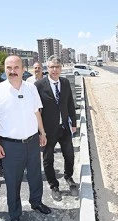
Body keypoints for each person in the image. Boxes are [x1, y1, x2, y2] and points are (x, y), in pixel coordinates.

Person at [0, 55, 51, 221]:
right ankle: (15, 215)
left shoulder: (31, 88)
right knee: (13, 182)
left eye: (16, 67)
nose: (13, 71)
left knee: (35, 175)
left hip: (31, 142)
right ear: (4, 69)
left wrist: (42, 132)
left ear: (23, 69)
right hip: (10, 145)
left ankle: (36, 202)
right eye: (9, 67)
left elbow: (36, 112)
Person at [35, 55, 77, 202]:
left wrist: (73, 124)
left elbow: (70, 103)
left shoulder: (65, 83)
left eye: (57, 67)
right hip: (48, 130)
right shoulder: (39, 85)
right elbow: (36, 110)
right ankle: (54, 186)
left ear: (61, 68)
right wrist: (40, 132)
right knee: (48, 159)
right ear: (47, 68)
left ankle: (68, 177)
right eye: (52, 67)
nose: (54, 70)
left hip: (64, 127)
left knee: (69, 155)